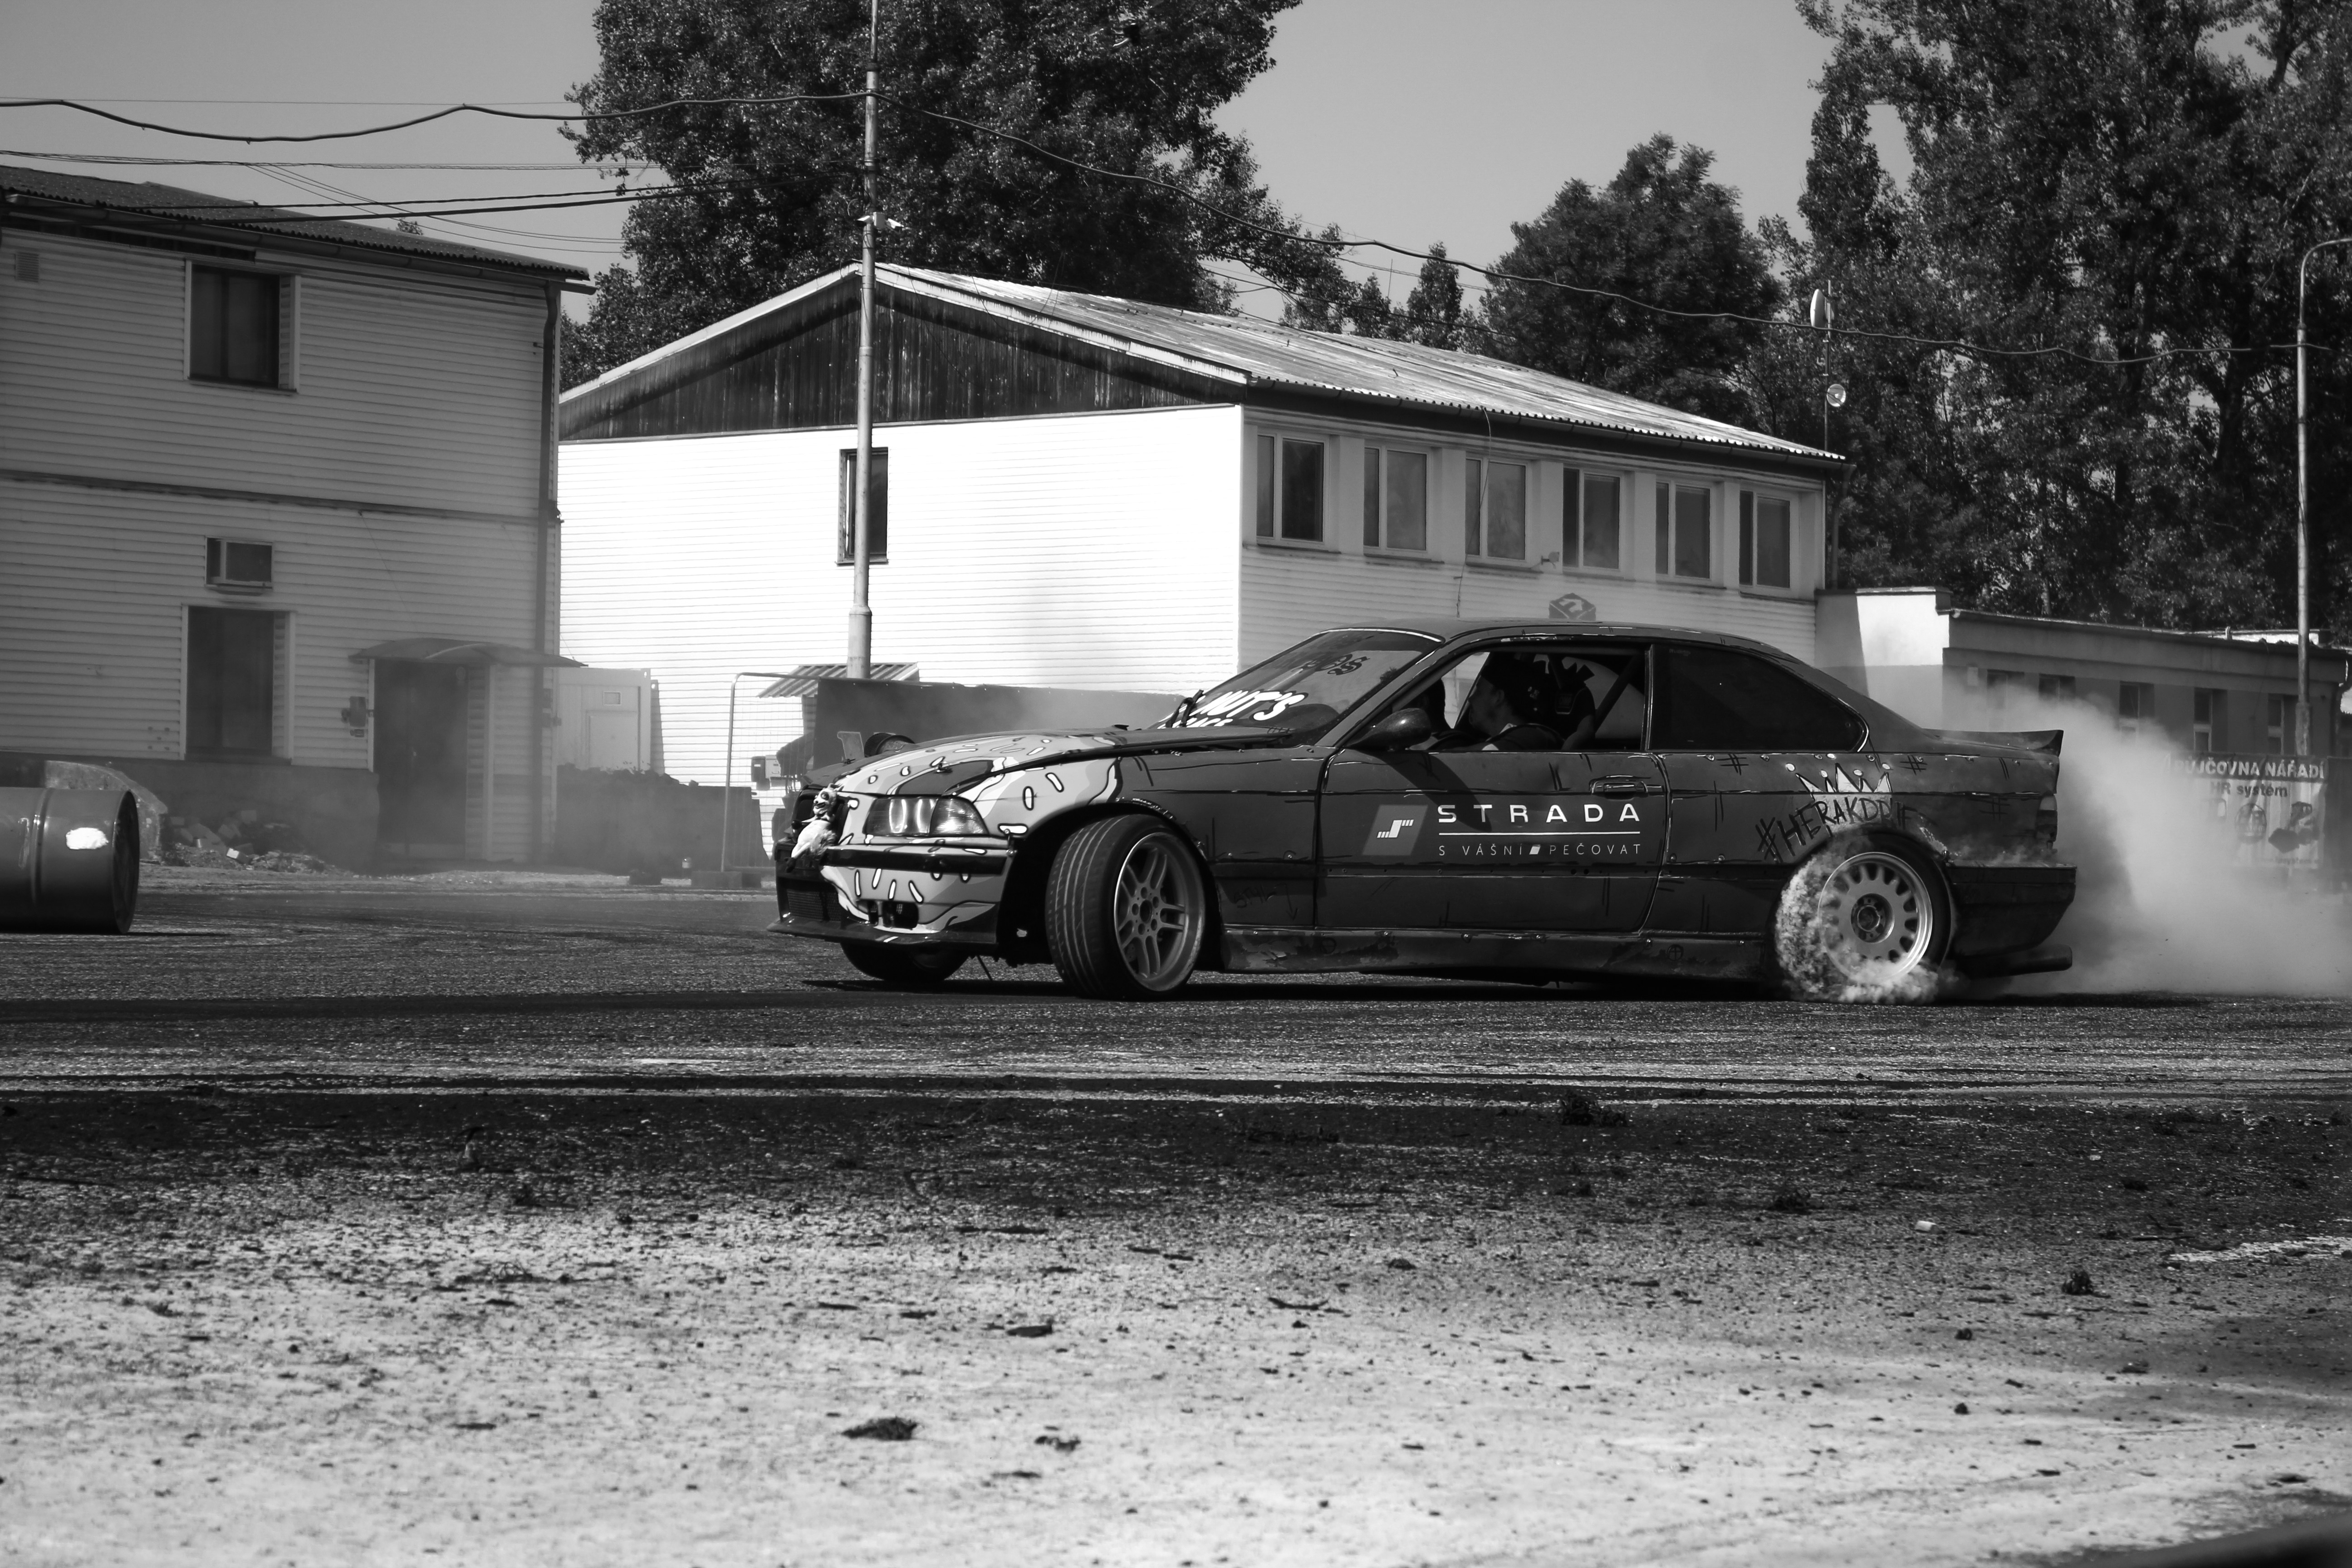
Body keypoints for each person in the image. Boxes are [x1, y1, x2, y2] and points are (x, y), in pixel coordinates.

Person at [1435, 657, 1562, 752]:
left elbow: (1463, 758)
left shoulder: (1532, 736)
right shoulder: (1504, 739)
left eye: (1479, 692)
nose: (1471, 699)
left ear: (1498, 697)